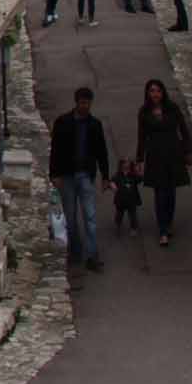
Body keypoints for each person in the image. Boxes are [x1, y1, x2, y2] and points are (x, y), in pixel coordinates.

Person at [48, 86, 110, 272]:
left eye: (88, 103)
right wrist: (54, 174)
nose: (85, 106)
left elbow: (102, 152)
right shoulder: (63, 122)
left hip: (84, 174)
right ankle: (76, 251)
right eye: (82, 102)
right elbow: (56, 150)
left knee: (90, 217)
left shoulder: (94, 125)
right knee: (71, 217)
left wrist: (105, 176)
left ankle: (92, 255)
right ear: (77, 102)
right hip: (67, 175)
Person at [136, 78, 192, 245]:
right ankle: (162, 230)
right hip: (155, 156)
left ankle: (168, 223)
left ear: (163, 93)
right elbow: (141, 137)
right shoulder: (144, 112)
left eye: (158, 91)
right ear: (148, 93)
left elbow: (183, 130)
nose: (155, 94)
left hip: (174, 155)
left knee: (170, 192)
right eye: (152, 91)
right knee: (160, 193)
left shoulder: (172, 109)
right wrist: (140, 159)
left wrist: (188, 151)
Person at [113, 158, 144, 233]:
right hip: (120, 199)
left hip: (132, 200)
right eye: (125, 164)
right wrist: (113, 186)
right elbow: (112, 181)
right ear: (121, 166)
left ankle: (133, 228)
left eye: (128, 164)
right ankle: (118, 225)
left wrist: (139, 170)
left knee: (133, 215)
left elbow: (140, 178)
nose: (126, 167)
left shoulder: (133, 176)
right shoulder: (118, 175)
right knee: (119, 215)